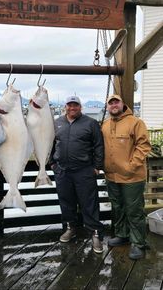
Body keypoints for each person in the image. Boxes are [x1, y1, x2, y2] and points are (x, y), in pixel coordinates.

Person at [51, 96, 104, 253]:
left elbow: (99, 146)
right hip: (62, 171)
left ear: (80, 107)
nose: (72, 108)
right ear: (65, 107)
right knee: (66, 202)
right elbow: (50, 144)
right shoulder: (57, 123)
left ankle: (95, 234)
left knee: (89, 203)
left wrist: (97, 167)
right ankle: (71, 228)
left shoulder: (91, 123)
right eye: (69, 105)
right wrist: (52, 163)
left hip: (84, 170)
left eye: (75, 105)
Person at [101, 94, 151, 260]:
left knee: (134, 210)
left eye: (116, 102)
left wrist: (131, 166)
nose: (114, 105)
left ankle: (138, 243)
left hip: (132, 177)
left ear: (123, 104)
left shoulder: (136, 122)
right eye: (111, 103)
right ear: (107, 107)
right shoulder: (105, 124)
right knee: (118, 207)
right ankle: (122, 234)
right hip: (111, 176)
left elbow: (143, 146)